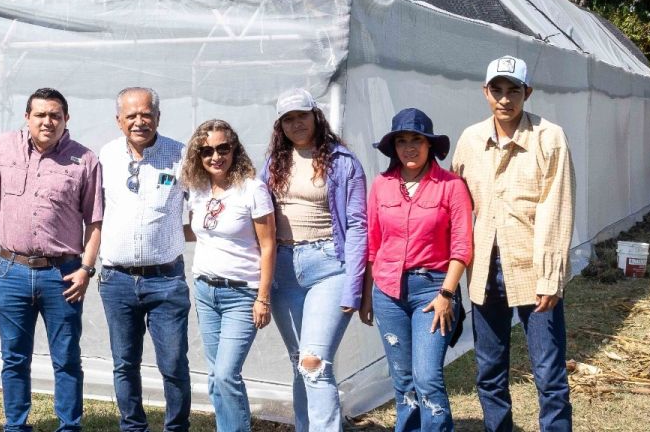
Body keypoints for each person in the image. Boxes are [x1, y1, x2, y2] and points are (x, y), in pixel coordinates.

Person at [451, 56, 575, 432]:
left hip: (532, 270)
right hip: (484, 273)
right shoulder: (471, 140)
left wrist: (550, 277)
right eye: (497, 90)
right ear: (485, 92)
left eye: (514, 91)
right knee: (489, 370)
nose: (505, 99)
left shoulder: (548, 137)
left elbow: (558, 207)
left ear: (528, 93)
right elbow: (456, 205)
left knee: (548, 372)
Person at [0, 88, 104, 432]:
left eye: (55, 115)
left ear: (66, 119)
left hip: (62, 274)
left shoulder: (85, 160)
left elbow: (94, 220)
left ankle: (69, 426)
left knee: (66, 358)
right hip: (12, 270)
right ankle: (16, 425)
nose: (48, 121)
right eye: (40, 115)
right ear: (27, 117)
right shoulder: (1, 148)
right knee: (14, 358)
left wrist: (86, 269)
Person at [260, 88, 367, 432]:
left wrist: (355, 285)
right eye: (288, 119)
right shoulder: (273, 164)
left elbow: (358, 226)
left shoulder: (343, 162)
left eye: (301, 116)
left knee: (314, 362)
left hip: (328, 266)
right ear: (280, 125)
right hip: (283, 271)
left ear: (315, 116)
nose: (296, 124)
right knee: (299, 363)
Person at [362, 108, 473, 432]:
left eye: (416, 140)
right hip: (388, 292)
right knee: (403, 379)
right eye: (401, 141)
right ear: (393, 147)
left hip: (433, 291)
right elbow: (373, 245)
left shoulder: (451, 186)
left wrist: (446, 294)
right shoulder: (382, 186)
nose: (409, 148)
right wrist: (367, 297)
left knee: (427, 376)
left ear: (429, 144)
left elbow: (462, 247)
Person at [97, 87, 192, 432]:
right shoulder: (105, 156)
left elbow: (200, 208)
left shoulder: (180, 156)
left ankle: (176, 427)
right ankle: (132, 426)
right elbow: (94, 213)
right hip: (117, 280)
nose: (140, 121)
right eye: (131, 115)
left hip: (165, 280)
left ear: (158, 117)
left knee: (173, 363)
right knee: (125, 363)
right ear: (119, 120)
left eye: (146, 114)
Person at [181, 119, 275, 432]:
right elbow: (200, 231)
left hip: (243, 294)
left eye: (223, 148)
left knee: (225, 374)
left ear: (234, 148)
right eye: (207, 151)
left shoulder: (252, 189)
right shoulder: (198, 189)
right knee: (214, 375)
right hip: (206, 291)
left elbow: (268, 245)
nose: (215, 156)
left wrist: (263, 297)